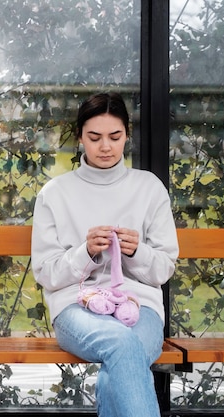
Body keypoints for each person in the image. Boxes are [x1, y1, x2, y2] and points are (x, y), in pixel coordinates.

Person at [31, 92, 178, 416]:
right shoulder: (55, 193)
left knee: (125, 350)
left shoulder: (149, 187)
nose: (106, 147)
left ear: (127, 134)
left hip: (141, 307)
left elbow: (163, 268)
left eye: (115, 136)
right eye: (94, 137)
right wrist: (86, 253)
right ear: (81, 137)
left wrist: (136, 252)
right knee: (124, 345)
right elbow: (45, 273)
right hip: (75, 306)